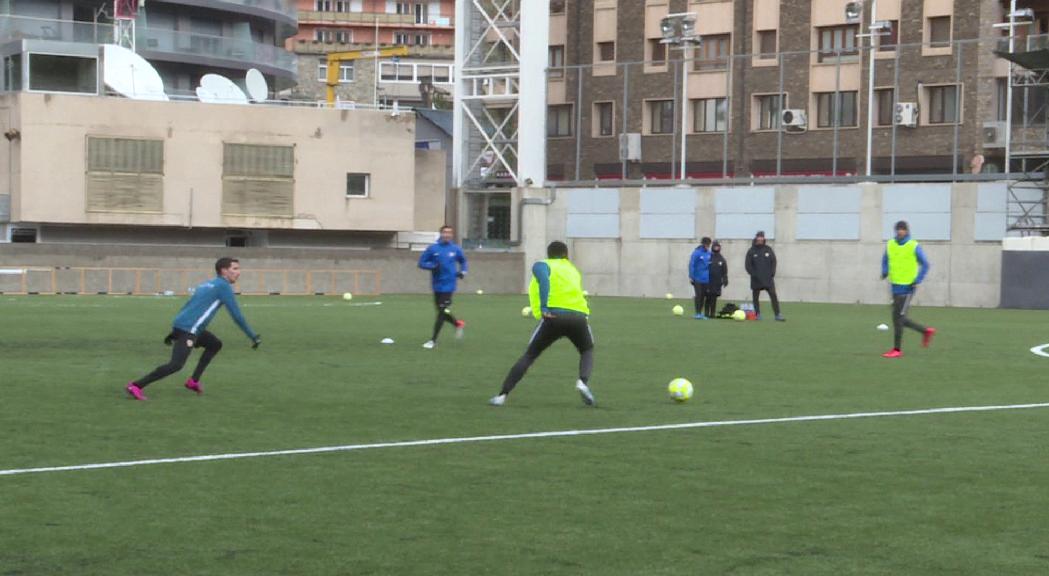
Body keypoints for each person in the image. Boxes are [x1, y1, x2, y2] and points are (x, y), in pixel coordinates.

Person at [125, 257, 261, 401]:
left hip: (185, 326)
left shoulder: (208, 284)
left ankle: (193, 381)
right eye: (235, 269)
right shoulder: (223, 286)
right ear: (224, 271)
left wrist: (175, 330)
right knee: (176, 365)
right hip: (189, 329)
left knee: (214, 344)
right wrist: (253, 336)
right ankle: (136, 385)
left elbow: (189, 305)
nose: (238, 272)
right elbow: (237, 316)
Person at [490, 241, 595, 407]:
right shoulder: (573, 270)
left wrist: (544, 308)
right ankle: (582, 382)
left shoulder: (542, 265)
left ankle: (502, 396)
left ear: (548, 254)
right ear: (566, 255)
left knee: (530, 355)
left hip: (554, 316)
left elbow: (543, 283)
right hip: (578, 316)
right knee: (587, 350)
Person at [881, 220, 936, 358]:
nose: (900, 231)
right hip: (895, 286)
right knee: (898, 319)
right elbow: (885, 259)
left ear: (907, 231)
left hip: (908, 288)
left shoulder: (913, 246)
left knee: (898, 318)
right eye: (898, 229)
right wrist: (885, 271)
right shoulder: (890, 244)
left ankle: (897, 350)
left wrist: (917, 280)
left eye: (903, 229)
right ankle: (925, 331)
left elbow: (926, 264)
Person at [418, 225, 468, 349]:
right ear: (441, 234)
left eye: (449, 233)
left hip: (449, 285)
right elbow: (421, 263)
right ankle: (457, 324)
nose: (447, 235)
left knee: (441, 312)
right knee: (442, 311)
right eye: (445, 232)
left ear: (451, 235)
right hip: (437, 285)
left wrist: (463, 272)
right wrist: (432, 266)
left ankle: (433, 341)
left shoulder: (455, 249)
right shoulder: (433, 248)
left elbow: (463, 261)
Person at [745, 231, 784, 321]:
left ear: (763, 238)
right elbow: (748, 265)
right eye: (758, 237)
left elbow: (774, 261)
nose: (760, 239)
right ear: (756, 238)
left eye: (761, 237)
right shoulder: (751, 251)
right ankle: (757, 314)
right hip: (756, 279)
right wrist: (753, 274)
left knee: (773, 295)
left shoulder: (768, 249)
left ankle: (778, 314)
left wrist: (772, 273)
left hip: (768, 279)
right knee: (755, 297)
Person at [688, 237, 712, 319]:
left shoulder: (709, 253)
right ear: (703, 244)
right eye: (706, 244)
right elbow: (692, 264)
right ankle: (697, 313)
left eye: (708, 244)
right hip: (697, 278)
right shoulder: (696, 253)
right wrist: (691, 276)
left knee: (703, 296)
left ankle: (700, 313)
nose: (707, 246)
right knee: (698, 295)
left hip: (706, 279)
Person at [705, 241, 728, 318]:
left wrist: (725, 279)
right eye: (715, 247)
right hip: (708, 281)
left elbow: (724, 271)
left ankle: (712, 313)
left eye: (717, 247)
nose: (716, 248)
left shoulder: (722, 259)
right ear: (712, 247)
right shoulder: (708, 257)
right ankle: (706, 313)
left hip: (717, 281)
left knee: (714, 298)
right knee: (708, 297)